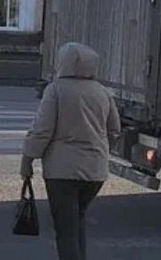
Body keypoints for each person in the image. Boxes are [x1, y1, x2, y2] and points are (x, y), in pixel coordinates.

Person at [20, 42, 120, 260]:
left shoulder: (56, 90)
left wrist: (27, 160)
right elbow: (114, 130)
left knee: (66, 231)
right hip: (95, 172)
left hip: (62, 172)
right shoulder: (103, 92)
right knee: (78, 222)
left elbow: (42, 130)